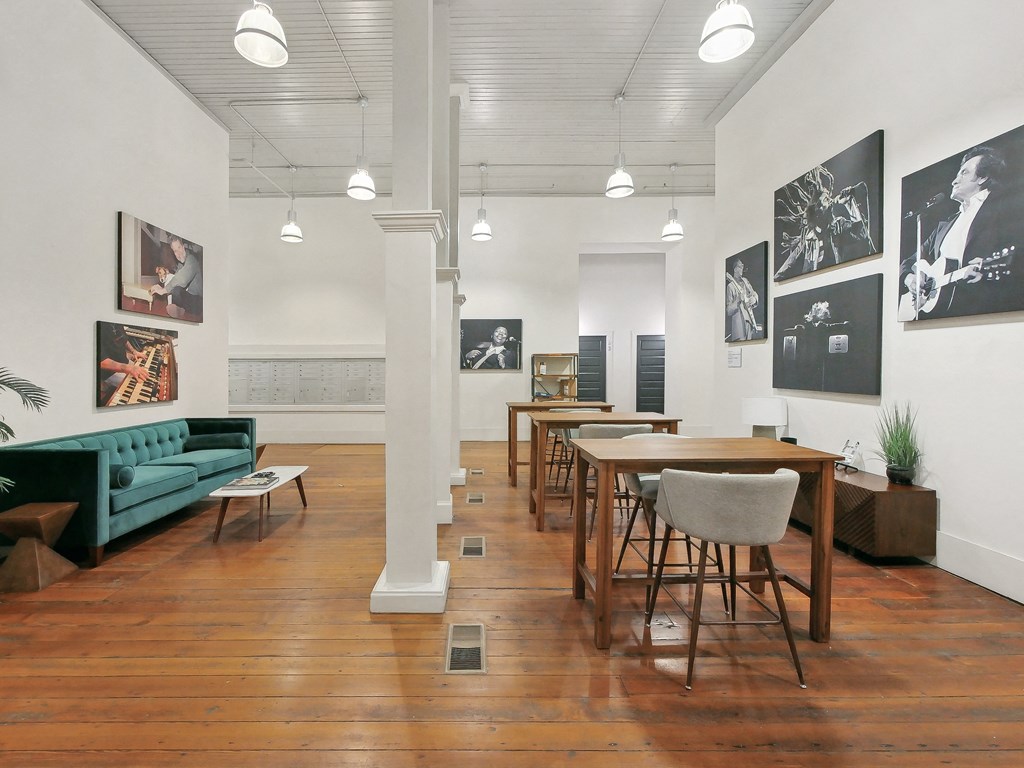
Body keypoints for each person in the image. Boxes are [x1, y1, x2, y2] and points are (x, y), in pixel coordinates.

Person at [900, 145, 1021, 319]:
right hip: (941, 314)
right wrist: (910, 278)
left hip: (982, 313)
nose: (954, 181)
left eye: (964, 173)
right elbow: (909, 262)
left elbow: (1016, 254)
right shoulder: (944, 226)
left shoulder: (1005, 210)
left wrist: (986, 270)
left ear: (983, 177)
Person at [775, 165, 875, 279]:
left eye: (829, 198)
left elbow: (863, 235)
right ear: (818, 210)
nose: (830, 201)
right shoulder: (807, 238)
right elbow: (786, 268)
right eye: (826, 199)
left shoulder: (838, 225)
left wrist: (849, 205)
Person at [149, 234, 203, 320]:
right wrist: (159, 286)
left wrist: (163, 290)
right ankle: (181, 310)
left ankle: (182, 309)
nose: (178, 253)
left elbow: (182, 279)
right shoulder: (181, 264)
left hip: (199, 302)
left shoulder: (192, 259)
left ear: (184, 247)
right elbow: (174, 278)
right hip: (189, 298)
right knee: (175, 289)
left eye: (179, 248)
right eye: (175, 251)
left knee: (176, 289)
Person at [97, 324, 149, 405]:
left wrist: (134, 351)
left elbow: (123, 339)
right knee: (141, 386)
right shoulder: (98, 327)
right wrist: (128, 368)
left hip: (124, 362)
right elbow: (101, 361)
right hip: (109, 372)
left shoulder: (116, 322)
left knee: (147, 373)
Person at [725, 259, 760, 341]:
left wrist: (754, 299)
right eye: (740, 266)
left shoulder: (745, 281)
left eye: (742, 266)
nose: (742, 268)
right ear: (735, 269)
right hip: (739, 326)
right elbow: (728, 311)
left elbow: (754, 293)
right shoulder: (730, 286)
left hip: (750, 323)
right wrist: (737, 301)